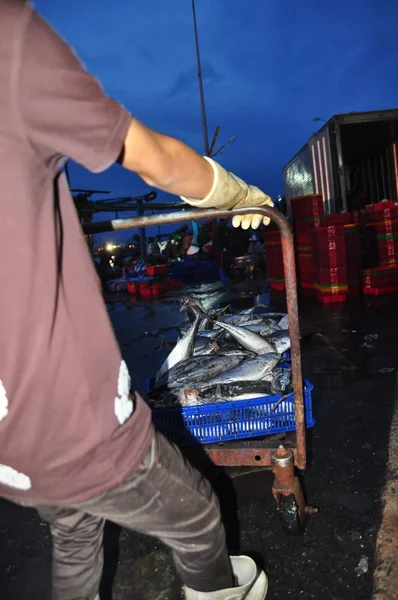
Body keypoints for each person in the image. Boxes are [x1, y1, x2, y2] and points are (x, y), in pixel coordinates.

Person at [0, 2, 273, 600]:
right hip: (69, 419)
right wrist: (235, 191)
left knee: (73, 534)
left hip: (7, 444)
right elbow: (153, 158)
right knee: (198, 519)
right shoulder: (10, 39)